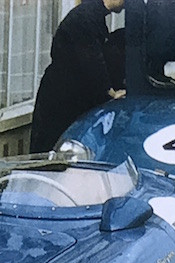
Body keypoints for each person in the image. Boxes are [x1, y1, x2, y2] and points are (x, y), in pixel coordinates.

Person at [29, 0, 126, 154]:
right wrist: (110, 93)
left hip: (65, 94)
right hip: (62, 99)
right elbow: (92, 62)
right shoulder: (85, 19)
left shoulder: (90, 15)